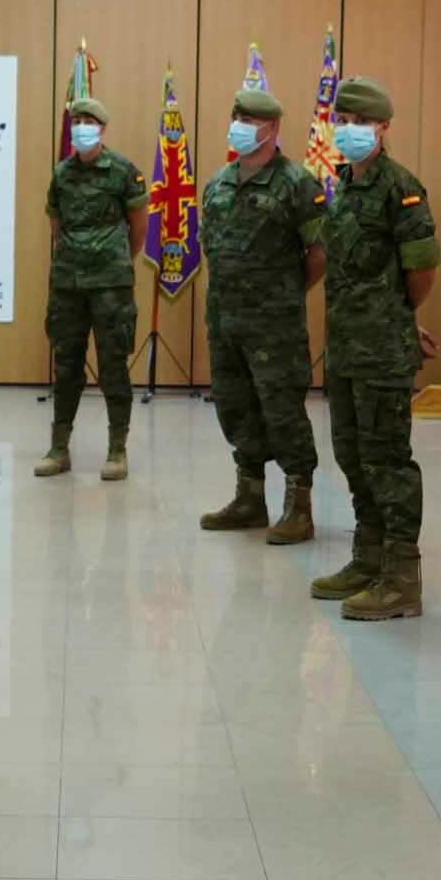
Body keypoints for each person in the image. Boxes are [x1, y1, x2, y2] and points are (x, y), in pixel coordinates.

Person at [314, 76, 441, 619]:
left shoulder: (401, 188)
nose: (350, 130)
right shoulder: (343, 186)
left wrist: (398, 317)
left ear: (384, 127)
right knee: (351, 455)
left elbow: (421, 270)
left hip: (382, 351)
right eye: (343, 121)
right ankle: (368, 558)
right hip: (345, 347)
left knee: (387, 460)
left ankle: (401, 576)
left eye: (361, 122)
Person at [198, 86, 325, 544]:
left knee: (282, 409)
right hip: (225, 321)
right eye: (237, 118)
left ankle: (299, 505)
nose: (240, 127)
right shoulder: (218, 183)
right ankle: (250, 498)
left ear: (272, 127)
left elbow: (319, 252)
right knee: (235, 407)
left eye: (249, 121)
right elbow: (210, 247)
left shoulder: (296, 183)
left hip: (275, 325)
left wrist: (285, 292)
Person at [36, 93, 147, 481]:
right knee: (66, 365)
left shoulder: (123, 171)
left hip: (111, 285)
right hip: (67, 284)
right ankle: (59, 448)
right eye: (77, 121)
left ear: (102, 128)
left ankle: (117, 449)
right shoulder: (61, 173)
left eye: (89, 122)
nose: (82, 128)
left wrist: (113, 260)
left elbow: (139, 229)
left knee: (113, 366)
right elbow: (56, 225)